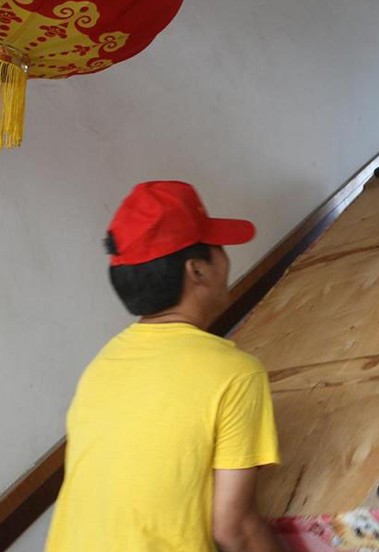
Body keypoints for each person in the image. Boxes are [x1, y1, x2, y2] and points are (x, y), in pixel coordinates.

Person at [46, 180, 284, 552]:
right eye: (218, 248)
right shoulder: (234, 373)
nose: (226, 259)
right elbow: (234, 528)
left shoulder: (101, 366)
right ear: (197, 270)